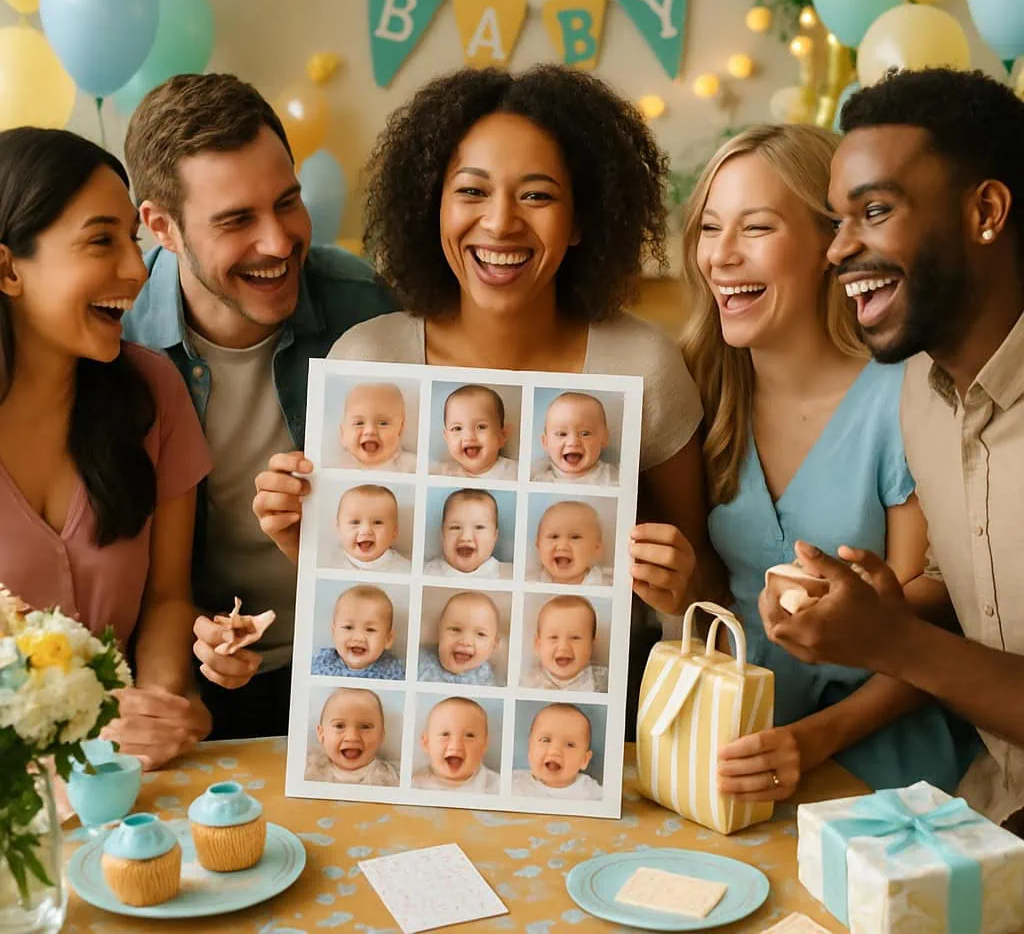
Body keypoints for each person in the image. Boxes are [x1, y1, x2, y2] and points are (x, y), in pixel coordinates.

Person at [249, 66, 718, 724]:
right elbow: (360, 590)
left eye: (537, 196)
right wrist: (305, 542)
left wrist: (679, 581)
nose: (500, 223)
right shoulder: (369, 361)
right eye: (471, 190)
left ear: (583, 219)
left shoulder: (641, 365)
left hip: (590, 728)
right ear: (431, 205)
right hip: (405, 725)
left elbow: (702, 594)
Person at [759, 68, 1024, 832]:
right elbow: (970, 586)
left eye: (874, 211)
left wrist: (895, 641)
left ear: (986, 211)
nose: (840, 249)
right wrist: (871, 610)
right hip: (991, 810)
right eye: (838, 220)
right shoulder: (920, 388)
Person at [678, 123, 976, 801]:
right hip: (738, 749)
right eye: (709, 228)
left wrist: (814, 741)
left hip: (877, 761)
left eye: (755, 228)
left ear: (829, 244)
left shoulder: (903, 397)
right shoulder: (699, 386)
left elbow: (924, 635)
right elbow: (705, 586)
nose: (720, 257)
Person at [120, 73, 395, 738]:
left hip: (362, 670)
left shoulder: (366, 308)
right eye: (237, 220)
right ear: (162, 226)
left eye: (287, 202)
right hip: (200, 684)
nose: (278, 242)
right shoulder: (118, 342)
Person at [0, 127, 212, 769]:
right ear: (8, 268)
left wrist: (155, 704)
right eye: (101, 241)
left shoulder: (154, 392)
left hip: (124, 784)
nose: (135, 270)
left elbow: (169, 598)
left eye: (133, 240)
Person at [305, 687, 399, 786]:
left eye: (365, 727)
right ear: (321, 734)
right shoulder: (309, 772)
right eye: (339, 726)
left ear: (381, 735)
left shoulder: (392, 778)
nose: (352, 737)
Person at [311, 584, 404, 679]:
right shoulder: (321, 663)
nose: (358, 637)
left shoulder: (391, 672)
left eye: (370, 630)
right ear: (333, 633)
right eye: (348, 627)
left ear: (388, 639)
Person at [511, 704, 602, 800]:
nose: (555, 751)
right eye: (545, 740)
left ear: (585, 760)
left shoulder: (590, 791)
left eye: (569, 745)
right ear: (530, 748)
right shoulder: (516, 783)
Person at [521, 594, 609, 692]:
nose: (563, 647)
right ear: (538, 644)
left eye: (575, 638)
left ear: (591, 644)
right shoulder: (527, 682)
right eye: (553, 637)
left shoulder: (603, 682)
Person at [412, 697, 499, 793]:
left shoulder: (498, 787)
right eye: (445, 734)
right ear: (426, 743)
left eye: (469, 736)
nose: (456, 746)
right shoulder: (414, 783)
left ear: (484, 744)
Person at [417, 590, 502, 685]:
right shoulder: (419, 660)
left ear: (494, 645)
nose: (465, 641)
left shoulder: (487, 680)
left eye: (480, 634)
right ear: (439, 632)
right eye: (455, 629)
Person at [533, 392, 618, 485]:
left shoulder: (611, 478)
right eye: (562, 434)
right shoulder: (538, 476)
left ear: (604, 438)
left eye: (585, 434)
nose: (573, 442)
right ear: (545, 442)